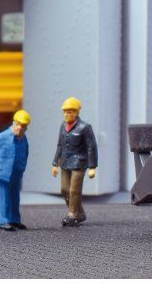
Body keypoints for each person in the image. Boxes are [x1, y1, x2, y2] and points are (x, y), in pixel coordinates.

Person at [51, 97, 97, 227]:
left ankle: (72, 214)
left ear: (77, 112)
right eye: (65, 112)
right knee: (64, 190)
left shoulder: (85, 127)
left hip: (79, 163)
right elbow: (60, 145)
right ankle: (79, 213)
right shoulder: (62, 126)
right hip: (65, 162)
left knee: (74, 191)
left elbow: (91, 147)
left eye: (70, 112)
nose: (66, 114)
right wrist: (55, 164)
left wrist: (92, 166)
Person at [0, 109, 31, 231]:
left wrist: (22, 167)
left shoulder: (23, 138)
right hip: (0, 173)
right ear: (13, 123)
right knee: (3, 197)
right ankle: (2, 221)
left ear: (26, 128)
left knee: (15, 198)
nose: (19, 128)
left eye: (23, 126)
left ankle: (14, 220)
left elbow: (25, 152)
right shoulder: (2, 137)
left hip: (15, 173)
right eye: (17, 124)